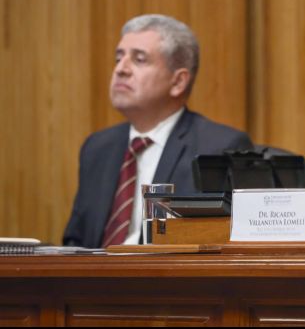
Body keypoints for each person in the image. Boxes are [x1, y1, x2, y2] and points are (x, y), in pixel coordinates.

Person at [63, 14, 254, 248]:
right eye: (118, 58)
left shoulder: (217, 148)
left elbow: (225, 245)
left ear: (178, 82)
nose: (121, 69)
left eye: (139, 60)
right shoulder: (97, 148)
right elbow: (75, 242)